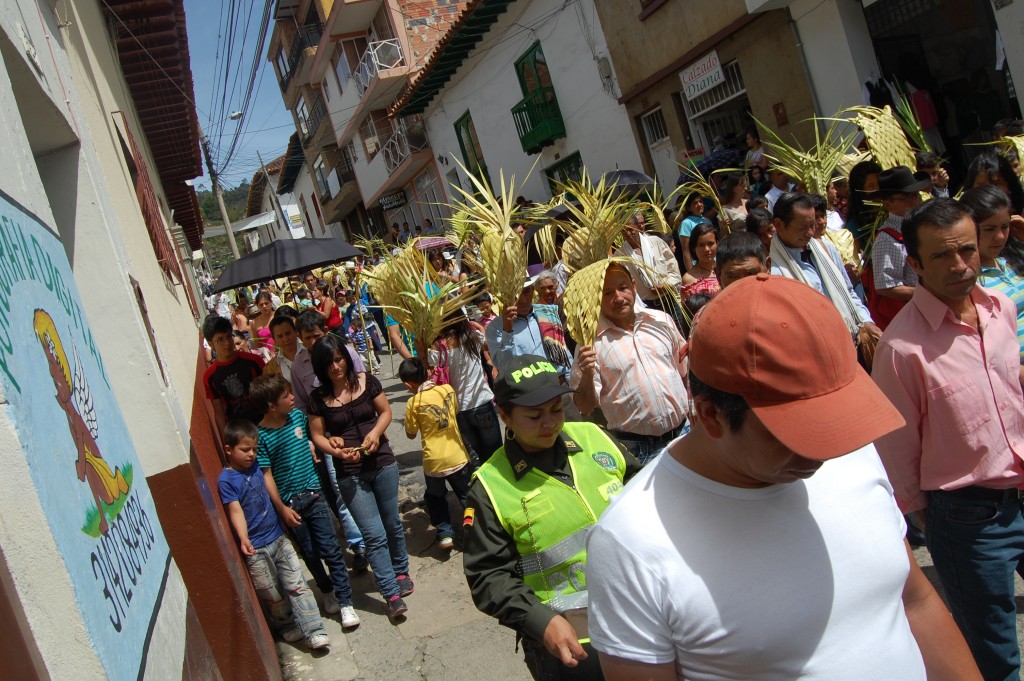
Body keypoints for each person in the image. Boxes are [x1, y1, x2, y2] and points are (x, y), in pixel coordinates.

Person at [586, 273, 981, 681]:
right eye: (797, 430)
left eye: (834, 415)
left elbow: (915, 602)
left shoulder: (852, 448)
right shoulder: (631, 543)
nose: (826, 448)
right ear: (711, 415)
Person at [873, 199, 1024, 681]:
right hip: (968, 519)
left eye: (966, 250)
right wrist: (929, 515)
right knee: (994, 650)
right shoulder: (901, 349)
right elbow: (897, 449)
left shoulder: (1000, 309)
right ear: (914, 264)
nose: (959, 266)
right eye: (941, 256)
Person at [463, 354, 642, 681]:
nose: (550, 423)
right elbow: (488, 577)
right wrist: (539, 620)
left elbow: (646, 501)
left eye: (557, 410)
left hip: (642, 618)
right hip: (572, 644)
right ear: (505, 415)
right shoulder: (490, 486)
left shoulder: (594, 438)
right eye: (534, 416)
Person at [306, 334, 413, 622]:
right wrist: (338, 453)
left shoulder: (367, 382)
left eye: (339, 359)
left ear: (346, 357)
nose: (336, 367)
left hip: (382, 462)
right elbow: (317, 435)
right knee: (373, 535)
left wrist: (375, 434)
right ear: (320, 367)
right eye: (328, 363)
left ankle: (401, 570)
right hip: (350, 474)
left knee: (392, 523)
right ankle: (390, 593)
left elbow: (386, 412)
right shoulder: (318, 400)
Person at [248, 375, 360, 629]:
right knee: (310, 553)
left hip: (314, 495)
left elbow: (316, 436)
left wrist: (326, 442)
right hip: (291, 505)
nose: (292, 398)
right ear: (271, 406)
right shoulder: (261, 436)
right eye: (286, 395)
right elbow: (267, 476)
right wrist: (282, 509)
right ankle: (327, 590)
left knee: (331, 549)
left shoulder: (298, 417)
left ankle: (345, 602)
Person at [218, 419, 331, 651]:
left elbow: (270, 489)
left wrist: (282, 511)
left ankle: (314, 630)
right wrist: (243, 537)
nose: (251, 455)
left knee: (297, 584)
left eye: (254, 450)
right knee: (272, 593)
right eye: (245, 450)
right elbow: (235, 509)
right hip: (257, 549)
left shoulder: (257, 465)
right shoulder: (226, 480)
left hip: (278, 538)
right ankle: (286, 624)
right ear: (228, 450)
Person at [571, 264, 688, 465]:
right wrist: (587, 375)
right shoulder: (590, 343)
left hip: (684, 434)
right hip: (639, 450)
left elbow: (684, 373)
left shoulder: (661, 320)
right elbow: (585, 406)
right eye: (607, 293)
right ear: (597, 298)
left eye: (623, 287)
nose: (618, 298)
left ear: (634, 286)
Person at [770, 193, 878, 345]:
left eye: (812, 225)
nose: (810, 233)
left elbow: (848, 291)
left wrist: (865, 321)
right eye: (802, 228)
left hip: (852, 341)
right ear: (779, 225)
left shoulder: (826, 249)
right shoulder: (774, 272)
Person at [399, 358, 473, 551]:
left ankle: (445, 534)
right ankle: (475, 529)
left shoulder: (413, 402)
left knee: (435, 497)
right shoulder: (447, 390)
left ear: (408, 384)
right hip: (458, 455)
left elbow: (410, 433)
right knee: (466, 494)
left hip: (434, 462)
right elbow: (454, 411)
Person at [961, 184, 1024, 360]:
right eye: (990, 229)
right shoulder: (967, 281)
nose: (1000, 237)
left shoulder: (1014, 260)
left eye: (1005, 226)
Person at [435, 315, 503, 463]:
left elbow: (427, 362)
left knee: (478, 455)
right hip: (482, 403)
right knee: (497, 453)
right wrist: (482, 330)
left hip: (460, 410)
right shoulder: (473, 337)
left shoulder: (440, 347)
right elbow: (489, 345)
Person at [868, 166, 928, 329]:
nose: (915, 201)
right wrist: (928, 294)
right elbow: (886, 287)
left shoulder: (922, 227)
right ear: (888, 204)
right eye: (907, 197)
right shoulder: (887, 239)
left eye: (916, 195)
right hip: (914, 316)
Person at [485, 277, 572, 379]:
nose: (522, 300)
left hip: (561, 386)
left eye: (526, 292)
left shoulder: (547, 313)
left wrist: (571, 382)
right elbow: (505, 367)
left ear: (533, 290)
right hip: (531, 391)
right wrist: (507, 330)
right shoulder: (495, 328)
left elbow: (564, 353)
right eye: (516, 295)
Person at [202, 314, 265, 434]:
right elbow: (219, 412)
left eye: (228, 337)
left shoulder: (253, 361)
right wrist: (227, 442)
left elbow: (269, 391)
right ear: (211, 344)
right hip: (240, 433)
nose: (227, 343)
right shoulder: (210, 376)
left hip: (265, 424)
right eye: (220, 340)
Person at [844, 160, 882, 247]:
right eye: (871, 186)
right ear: (860, 191)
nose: (878, 189)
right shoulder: (854, 227)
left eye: (879, 184)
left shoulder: (892, 215)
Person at [680, 222, 720, 300]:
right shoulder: (689, 279)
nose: (707, 249)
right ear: (693, 248)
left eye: (710, 244)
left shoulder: (725, 269)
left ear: (717, 244)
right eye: (701, 245)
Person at [263, 313, 300, 381]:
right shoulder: (271, 367)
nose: (285, 339)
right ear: (274, 339)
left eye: (288, 333)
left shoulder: (311, 353)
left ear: (296, 332)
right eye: (280, 336)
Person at [677, 192, 711, 264]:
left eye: (700, 201)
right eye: (695, 203)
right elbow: (686, 250)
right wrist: (691, 272)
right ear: (689, 208)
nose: (699, 204)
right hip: (697, 265)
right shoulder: (686, 224)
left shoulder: (707, 220)